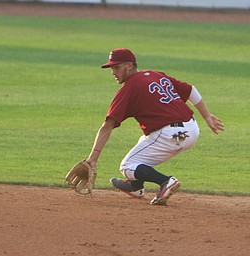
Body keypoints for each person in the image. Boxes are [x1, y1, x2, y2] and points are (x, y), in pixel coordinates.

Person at [85, 48, 224, 205]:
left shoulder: (129, 88)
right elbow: (190, 90)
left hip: (171, 134)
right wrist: (206, 116)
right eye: (112, 68)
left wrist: (93, 158)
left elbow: (107, 126)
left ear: (129, 65)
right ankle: (135, 186)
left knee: (128, 165)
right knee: (144, 142)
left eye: (116, 67)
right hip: (191, 129)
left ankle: (166, 182)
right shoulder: (155, 75)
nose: (113, 72)